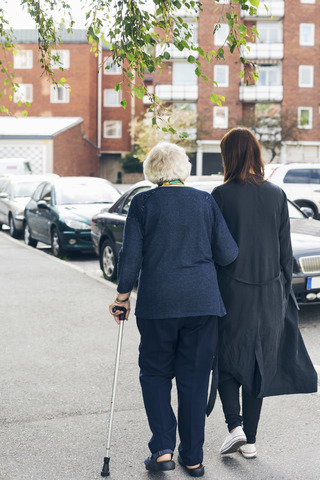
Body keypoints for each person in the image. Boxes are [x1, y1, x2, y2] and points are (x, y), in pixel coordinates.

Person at [109, 141, 238, 477]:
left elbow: (130, 257)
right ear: (184, 169)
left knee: (154, 374)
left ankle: (163, 449)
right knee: (194, 381)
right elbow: (228, 254)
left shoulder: (143, 203)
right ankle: (193, 457)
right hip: (202, 304)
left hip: (157, 306)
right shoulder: (205, 201)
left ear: (153, 171)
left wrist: (122, 297)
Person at [211, 127, 318, 459]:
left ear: (229, 156)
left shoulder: (221, 195)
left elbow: (215, 251)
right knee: (258, 363)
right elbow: (285, 253)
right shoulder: (276, 194)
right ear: (256, 153)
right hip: (271, 294)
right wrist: (283, 292)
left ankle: (235, 427)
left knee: (227, 360)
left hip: (232, 292)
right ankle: (251, 441)